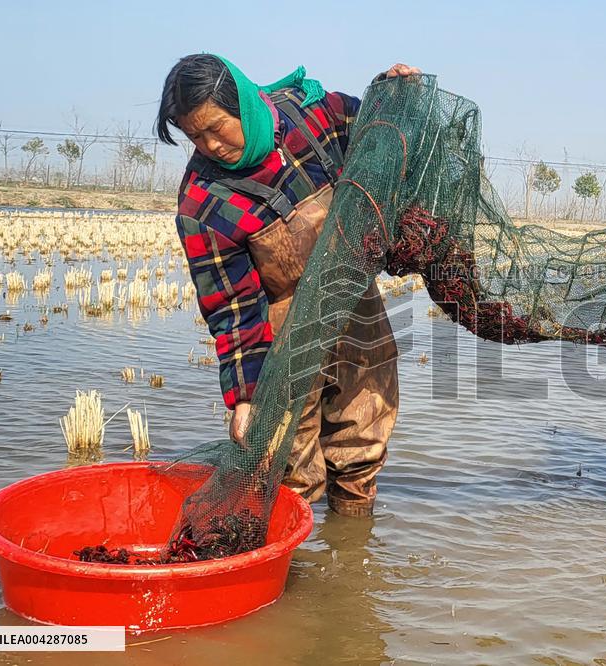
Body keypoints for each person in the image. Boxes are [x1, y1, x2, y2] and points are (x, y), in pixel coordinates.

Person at [158, 54, 419, 517]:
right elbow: (231, 308)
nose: (210, 145)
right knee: (286, 472)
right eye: (194, 136)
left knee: (363, 445)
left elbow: (378, 131)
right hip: (283, 333)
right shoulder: (201, 204)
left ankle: (350, 558)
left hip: (354, 301)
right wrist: (243, 398)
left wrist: (393, 92)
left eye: (216, 127)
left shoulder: (309, 113)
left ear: (240, 101)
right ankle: (290, 575)